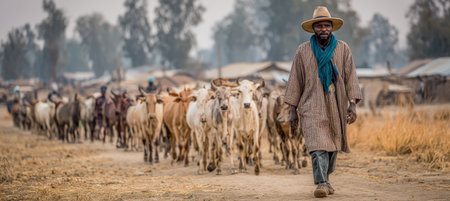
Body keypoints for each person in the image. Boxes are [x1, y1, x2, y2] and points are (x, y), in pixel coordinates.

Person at [284, 6, 362, 198]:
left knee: (333, 147)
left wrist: (352, 104)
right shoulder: (302, 51)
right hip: (311, 105)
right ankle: (321, 183)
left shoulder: (343, 49)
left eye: (327, 25)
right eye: (319, 26)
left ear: (332, 28)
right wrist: (292, 109)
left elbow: (351, 76)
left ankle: (326, 178)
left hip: (336, 105)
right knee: (317, 145)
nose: (323, 29)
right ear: (314, 29)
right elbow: (295, 80)